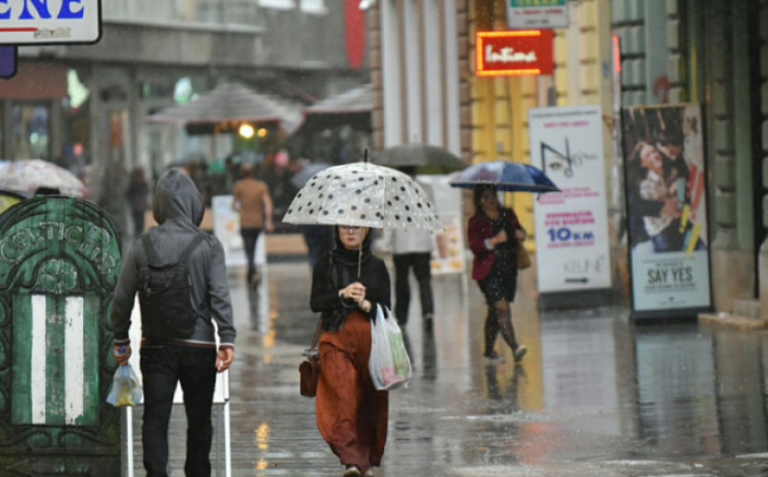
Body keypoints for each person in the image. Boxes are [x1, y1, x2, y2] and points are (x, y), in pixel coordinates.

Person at [111, 169, 236, 477]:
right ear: (194, 203)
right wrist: (227, 338)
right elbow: (219, 295)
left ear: (159, 206)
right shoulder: (208, 246)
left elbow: (121, 299)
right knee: (199, 418)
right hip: (199, 346)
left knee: (155, 417)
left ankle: (156, 473)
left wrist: (120, 339)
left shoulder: (142, 245)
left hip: (156, 346)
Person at [310, 224, 391, 477]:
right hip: (335, 339)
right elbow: (315, 303)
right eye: (345, 227)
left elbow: (386, 309)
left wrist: (367, 304)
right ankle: (351, 461)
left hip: (370, 344)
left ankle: (363, 460)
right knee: (343, 398)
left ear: (367, 231)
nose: (351, 232)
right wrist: (341, 294)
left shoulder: (377, 266)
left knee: (367, 402)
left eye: (356, 227)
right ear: (337, 230)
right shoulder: (326, 263)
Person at [468, 185, 527, 363]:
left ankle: (488, 351)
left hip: (508, 269)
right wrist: (494, 240)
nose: (490, 200)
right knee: (502, 308)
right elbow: (475, 247)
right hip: (488, 272)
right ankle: (515, 347)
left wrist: (520, 234)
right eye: (485, 197)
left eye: (493, 196)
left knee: (495, 311)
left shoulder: (508, 214)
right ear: (479, 200)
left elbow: (522, 232)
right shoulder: (476, 221)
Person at [379, 166, 435, 330]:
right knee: (424, 280)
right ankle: (428, 312)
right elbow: (433, 216)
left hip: (401, 245)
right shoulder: (426, 188)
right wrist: (433, 242)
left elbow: (389, 220)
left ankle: (402, 317)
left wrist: (387, 244)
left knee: (402, 282)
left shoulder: (392, 191)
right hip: (422, 244)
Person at [232, 163, 274, 285]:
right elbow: (268, 204)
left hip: (245, 222)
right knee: (253, 247)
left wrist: (242, 210)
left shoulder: (239, 186)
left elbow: (233, 205)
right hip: (257, 222)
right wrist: (268, 221)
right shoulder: (261, 186)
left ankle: (252, 271)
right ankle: (252, 270)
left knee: (248, 248)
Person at [126, 167, 150, 236]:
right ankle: (139, 233)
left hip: (136, 206)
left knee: (138, 221)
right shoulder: (138, 184)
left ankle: (138, 233)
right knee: (139, 221)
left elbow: (128, 194)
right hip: (138, 206)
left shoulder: (136, 184)